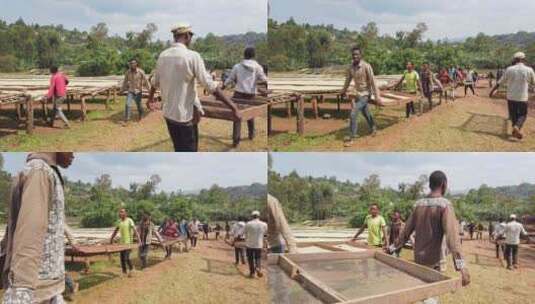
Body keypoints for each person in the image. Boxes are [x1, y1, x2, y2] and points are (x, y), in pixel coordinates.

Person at [148, 23, 241, 152]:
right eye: (190, 36)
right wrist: (233, 107)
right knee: (190, 150)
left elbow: (154, 82)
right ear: (187, 36)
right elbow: (210, 86)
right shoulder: (192, 56)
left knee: (178, 148)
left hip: (169, 114)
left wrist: (150, 99)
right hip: (185, 117)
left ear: (175, 36)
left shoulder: (163, 55)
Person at [1, 153, 75, 304]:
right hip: (34, 290)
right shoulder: (39, 172)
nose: (74, 154)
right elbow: (29, 236)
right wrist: (22, 291)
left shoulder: (45, 172)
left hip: (47, 289)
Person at [388, 171, 471, 304]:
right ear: (444, 184)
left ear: (430, 185)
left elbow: (404, 233)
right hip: (434, 263)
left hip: (418, 261)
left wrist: (391, 248)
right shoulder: (445, 205)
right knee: (430, 298)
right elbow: (453, 240)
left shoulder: (418, 205)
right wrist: (462, 268)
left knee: (420, 296)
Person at [223, 47, 268, 146]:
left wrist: (223, 86)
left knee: (236, 115)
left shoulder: (237, 66)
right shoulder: (258, 67)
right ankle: (251, 135)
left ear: (244, 55)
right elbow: (264, 79)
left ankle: (236, 141)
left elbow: (230, 79)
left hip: (238, 94)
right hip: (251, 95)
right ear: (253, 56)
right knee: (250, 115)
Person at [340, 47, 383, 146]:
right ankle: (373, 128)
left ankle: (352, 137)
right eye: (353, 54)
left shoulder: (366, 66)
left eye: (357, 54)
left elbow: (373, 82)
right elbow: (347, 80)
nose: (355, 56)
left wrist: (377, 97)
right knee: (366, 113)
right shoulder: (351, 67)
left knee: (353, 113)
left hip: (366, 94)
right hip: (358, 94)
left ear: (360, 55)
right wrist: (343, 91)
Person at [490, 52, 535, 140]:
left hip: (511, 97)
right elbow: (534, 82)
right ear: (523, 59)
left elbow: (500, 82)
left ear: (514, 59)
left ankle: (515, 129)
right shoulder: (529, 70)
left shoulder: (509, 69)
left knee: (513, 114)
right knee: (523, 114)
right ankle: (517, 127)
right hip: (522, 97)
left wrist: (492, 91)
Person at [110, 208, 140, 277]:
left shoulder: (130, 220)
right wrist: (111, 238)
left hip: (128, 243)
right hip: (121, 243)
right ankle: (124, 272)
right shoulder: (119, 221)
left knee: (127, 258)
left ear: (126, 213)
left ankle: (132, 269)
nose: (120, 213)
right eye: (120, 212)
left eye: (122, 212)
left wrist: (139, 239)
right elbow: (116, 230)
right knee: (122, 259)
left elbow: (135, 230)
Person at [121, 59, 150, 124]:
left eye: (134, 63)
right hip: (130, 91)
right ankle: (127, 119)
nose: (132, 64)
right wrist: (122, 90)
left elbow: (146, 81)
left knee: (139, 105)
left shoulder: (141, 72)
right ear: (130, 65)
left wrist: (149, 90)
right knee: (127, 104)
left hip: (138, 91)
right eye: (131, 63)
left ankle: (141, 115)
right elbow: (125, 82)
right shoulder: (127, 72)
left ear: (136, 64)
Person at [244, 211, 268, 278]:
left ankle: (252, 273)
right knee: (258, 258)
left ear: (252, 216)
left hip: (249, 244)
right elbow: (265, 234)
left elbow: (245, 234)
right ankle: (258, 268)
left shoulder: (248, 224)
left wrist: (246, 241)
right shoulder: (264, 224)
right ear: (259, 216)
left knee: (250, 259)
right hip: (259, 244)